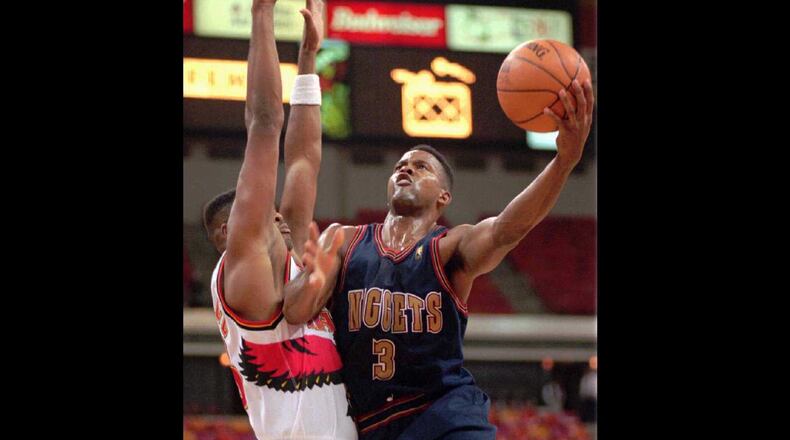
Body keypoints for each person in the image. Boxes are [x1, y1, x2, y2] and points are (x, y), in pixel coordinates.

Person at [287, 74, 595, 439]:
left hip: (444, 413)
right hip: (371, 423)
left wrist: (563, 162)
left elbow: (505, 230)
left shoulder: (449, 247)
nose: (406, 169)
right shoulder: (342, 240)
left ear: (443, 198)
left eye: (421, 167)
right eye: (401, 165)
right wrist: (314, 281)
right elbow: (293, 312)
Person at [202, 1, 356, 438]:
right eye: (269, 217)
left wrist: (308, 58)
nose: (283, 220)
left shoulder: (283, 261)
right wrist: (262, 13)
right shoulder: (245, 271)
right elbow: (266, 123)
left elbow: (305, 158)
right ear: (228, 232)